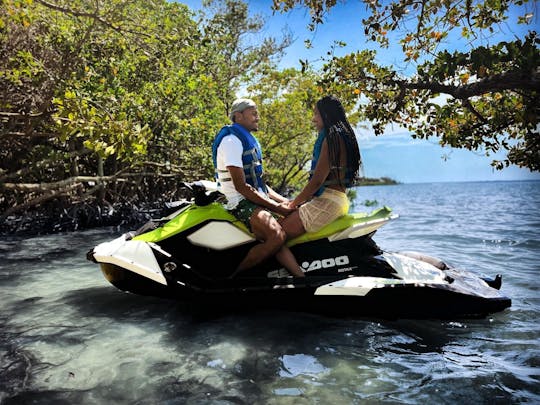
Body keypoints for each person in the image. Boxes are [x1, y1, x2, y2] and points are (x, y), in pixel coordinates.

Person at [212, 98, 305, 278]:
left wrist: (286, 202)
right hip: (238, 202)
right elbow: (241, 187)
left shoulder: (248, 140)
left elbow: (260, 185)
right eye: (253, 113)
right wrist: (277, 208)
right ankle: (234, 279)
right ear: (238, 116)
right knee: (276, 235)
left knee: (296, 218)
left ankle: (299, 277)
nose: (258, 117)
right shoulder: (231, 141)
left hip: (253, 196)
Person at [280, 95, 361, 239]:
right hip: (338, 200)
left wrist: (293, 204)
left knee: (275, 233)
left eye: (316, 114)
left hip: (327, 203)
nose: (313, 119)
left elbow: (317, 181)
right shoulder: (343, 135)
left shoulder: (332, 138)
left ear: (326, 114)